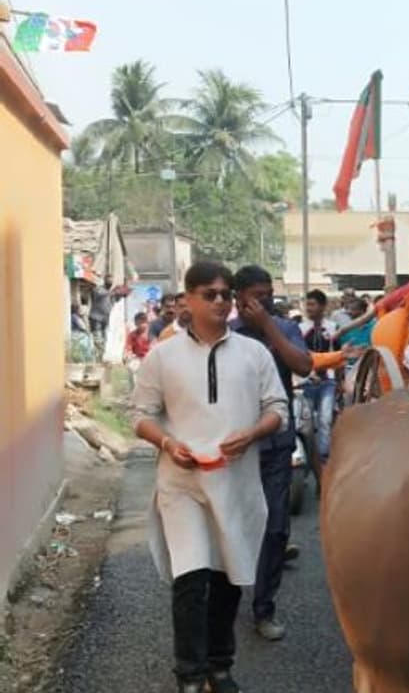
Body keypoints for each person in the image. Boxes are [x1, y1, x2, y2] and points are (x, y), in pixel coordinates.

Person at [130, 261, 287, 693]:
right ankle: (191, 675)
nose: (221, 301)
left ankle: (220, 664)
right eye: (210, 294)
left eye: (225, 294)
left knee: (227, 577)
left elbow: (279, 409)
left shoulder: (254, 354)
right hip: (182, 485)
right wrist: (167, 443)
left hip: (236, 484)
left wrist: (253, 432)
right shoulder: (163, 357)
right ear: (189, 299)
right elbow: (140, 417)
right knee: (191, 578)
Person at [229, 266, 312, 642]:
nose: (264, 301)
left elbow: (303, 366)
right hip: (235, 447)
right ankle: (226, 606)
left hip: (277, 445)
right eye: (256, 296)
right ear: (238, 299)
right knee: (233, 528)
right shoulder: (227, 334)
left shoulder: (286, 328)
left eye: (268, 294)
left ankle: (264, 608)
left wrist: (268, 326)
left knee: (276, 529)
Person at [299, 289, 339, 464]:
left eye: (312, 304)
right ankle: (308, 457)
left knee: (325, 419)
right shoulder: (299, 328)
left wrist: (339, 379)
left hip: (327, 380)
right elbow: (299, 354)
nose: (309, 308)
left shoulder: (332, 328)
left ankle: (323, 458)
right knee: (306, 423)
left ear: (323, 306)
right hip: (305, 380)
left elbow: (338, 354)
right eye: (307, 304)